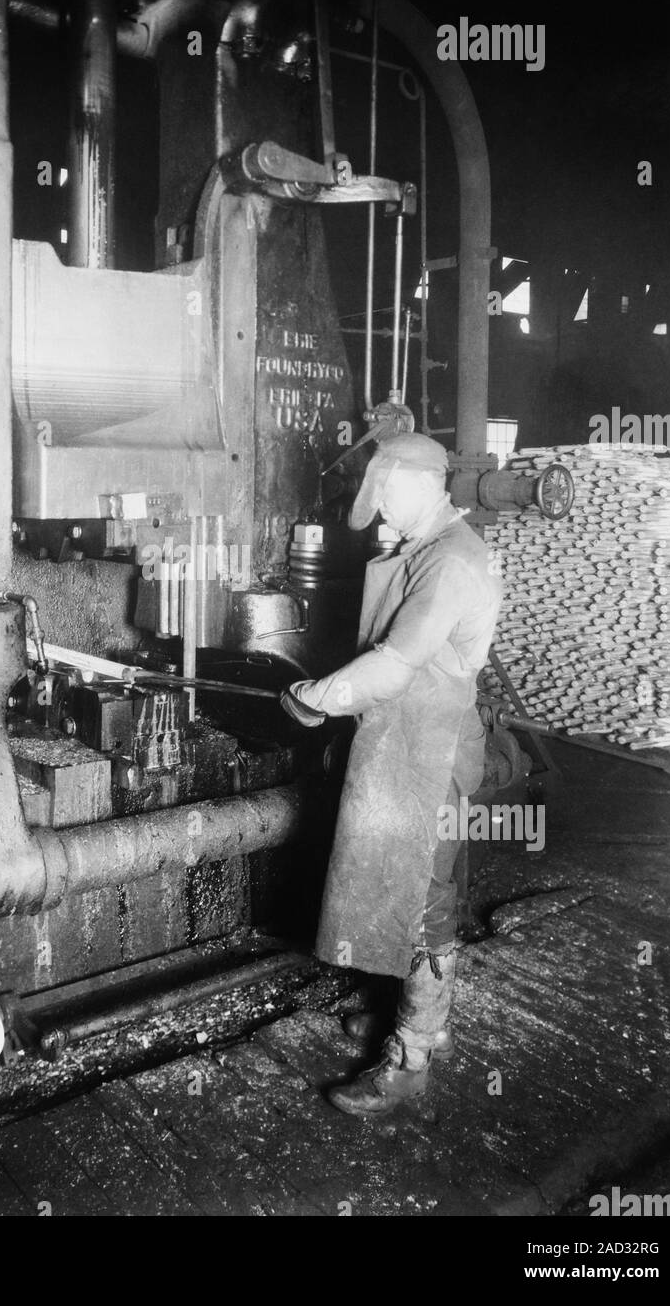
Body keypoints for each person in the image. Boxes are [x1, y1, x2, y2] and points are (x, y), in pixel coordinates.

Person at [281, 432, 502, 1116]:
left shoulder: (451, 561)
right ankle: (416, 1021)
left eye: (384, 498)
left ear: (417, 482)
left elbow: (396, 664)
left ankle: (410, 1060)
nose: (377, 514)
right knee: (414, 892)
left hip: (430, 752)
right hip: (408, 738)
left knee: (422, 902)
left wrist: (317, 698)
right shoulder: (426, 547)